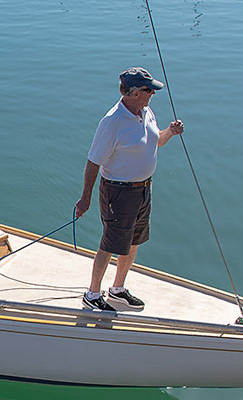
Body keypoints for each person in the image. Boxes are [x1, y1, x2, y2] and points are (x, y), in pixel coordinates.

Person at [74, 67, 183, 311]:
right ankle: (92, 294)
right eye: (148, 90)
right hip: (118, 192)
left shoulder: (146, 112)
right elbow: (93, 162)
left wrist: (171, 132)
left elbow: (156, 141)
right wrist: (85, 198)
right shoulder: (112, 122)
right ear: (133, 93)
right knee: (111, 243)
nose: (152, 93)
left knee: (134, 242)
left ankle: (118, 289)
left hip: (143, 190)